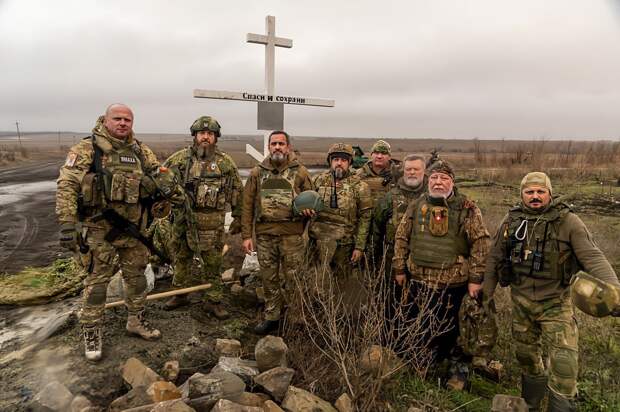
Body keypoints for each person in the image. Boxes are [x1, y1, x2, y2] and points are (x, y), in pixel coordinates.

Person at [484, 172, 620, 411]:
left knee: (564, 364)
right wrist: (485, 293)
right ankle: (532, 404)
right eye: (529, 192)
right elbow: (494, 257)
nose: (535, 196)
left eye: (540, 191)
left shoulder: (568, 221)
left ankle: (560, 407)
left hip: (556, 304)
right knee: (526, 357)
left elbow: (593, 257)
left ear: (549, 193)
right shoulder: (511, 220)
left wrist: (615, 290)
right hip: (521, 302)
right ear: (522, 194)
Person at [57, 104, 164, 361]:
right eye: (117, 118)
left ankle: (135, 321)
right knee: (96, 285)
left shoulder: (140, 151)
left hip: (133, 231)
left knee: (137, 280)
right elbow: (67, 184)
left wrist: (165, 192)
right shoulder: (87, 149)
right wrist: (68, 223)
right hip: (98, 230)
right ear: (105, 120)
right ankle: (92, 332)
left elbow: (160, 177)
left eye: (127, 119)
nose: (123, 123)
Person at [392, 160, 489, 388]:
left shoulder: (467, 208)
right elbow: (402, 237)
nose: (438, 182)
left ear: (452, 182)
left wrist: (476, 279)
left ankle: (458, 370)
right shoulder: (416, 205)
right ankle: (423, 363)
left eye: (444, 178)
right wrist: (399, 268)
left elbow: (481, 244)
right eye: (434, 177)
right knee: (420, 324)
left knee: (457, 329)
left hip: (454, 283)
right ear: (429, 180)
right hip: (419, 281)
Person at [161, 116, 242, 319]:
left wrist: (239, 217)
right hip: (182, 222)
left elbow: (238, 192)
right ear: (195, 136)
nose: (205, 137)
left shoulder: (225, 163)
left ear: (216, 137)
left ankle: (213, 301)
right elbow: (161, 183)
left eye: (210, 134)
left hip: (212, 226)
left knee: (213, 263)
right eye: (202, 133)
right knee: (181, 260)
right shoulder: (179, 160)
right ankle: (180, 295)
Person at [241, 131, 313, 334]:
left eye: (281, 143)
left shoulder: (300, 172)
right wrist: (246, 236)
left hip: (292, 237)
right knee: (269, 278)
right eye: (274, 144)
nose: (277, 147)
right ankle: (272, 317)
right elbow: (247, 205)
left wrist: (307, 214)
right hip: (265, 236)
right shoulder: (257, 172)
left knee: (294, 279)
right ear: (269, 147)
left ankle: (296, 318)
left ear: (288, 147)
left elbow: (313, 200)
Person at [308, 143, 372, 293]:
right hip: (317, 242)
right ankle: (315, 305)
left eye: (343, 160)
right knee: (314, 280)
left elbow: (365, 218)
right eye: (336, 159)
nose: (339, 163)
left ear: (349, 163)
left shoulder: (360, 186)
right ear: (330, 161)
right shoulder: (318, 180)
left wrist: (359, 247)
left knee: (340, 283)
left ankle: (337, 307)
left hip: (344, 245)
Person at [371, 154, 426, 275]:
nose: (412, 172)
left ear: (424, 171)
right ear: (403, 171)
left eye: (416, 169)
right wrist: (373, 259)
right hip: (393, 262)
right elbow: (377, 229)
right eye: (408, 169)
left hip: (424, 264)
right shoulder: (390, 197)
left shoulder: (432, 197)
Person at [355, 139, 401, 208]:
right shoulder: (358, 175)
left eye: (384, 153)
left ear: (389, 157)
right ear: (371, 155)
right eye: (376, 153)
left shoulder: (399, 174)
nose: (379, 156)